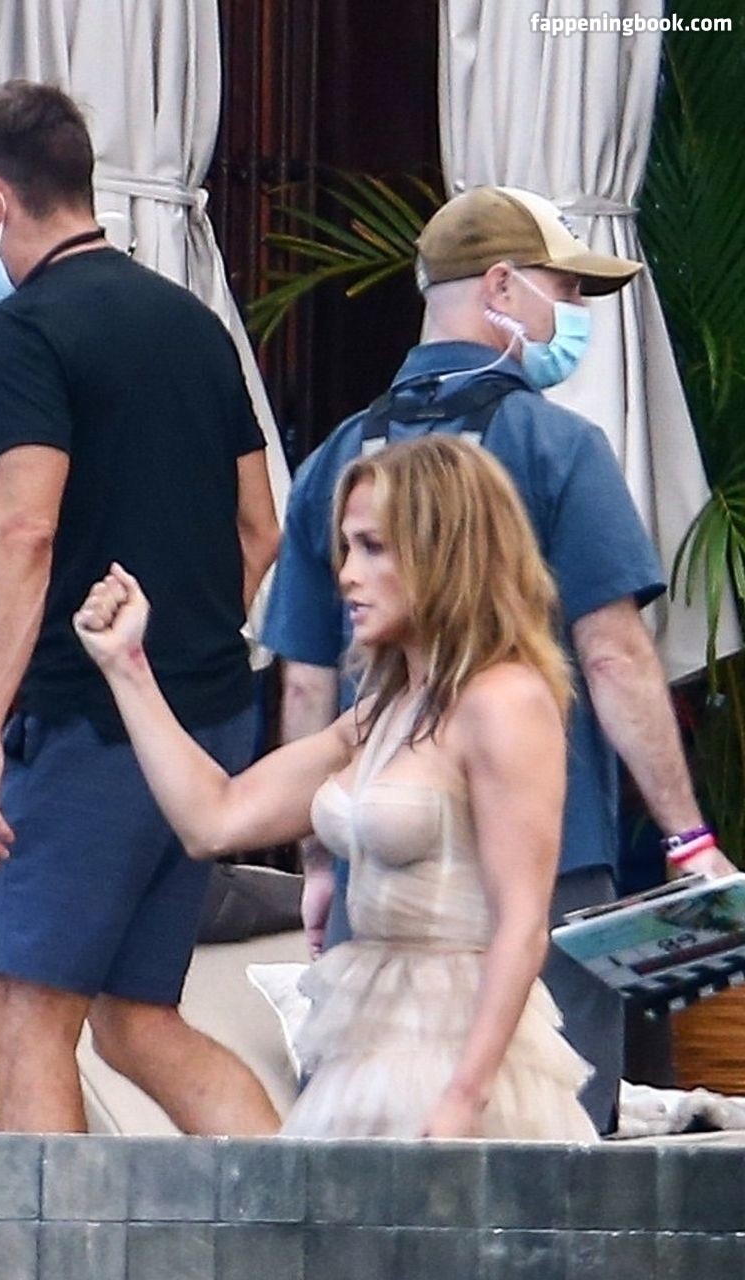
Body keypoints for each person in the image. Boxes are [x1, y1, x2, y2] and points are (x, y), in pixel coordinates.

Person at [260, 185, 734, 1133]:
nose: (576, 315)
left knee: (371, 1137)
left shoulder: (341, 461)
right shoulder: (558, 447)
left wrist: (319, 862)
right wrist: (688, 842)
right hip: (548, 866)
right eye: (567, 290)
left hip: (380, 870)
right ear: (503, 287)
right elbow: (614, 656)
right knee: (548, 1140)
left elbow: (307, 682)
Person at [0, 81, 281, 1135]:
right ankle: (297, 1212)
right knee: (136, 1018)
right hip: (208, 723)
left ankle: (49, 1236)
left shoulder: (23, 332)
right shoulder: (196, 325)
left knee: (25, 1017)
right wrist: (186, 660)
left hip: (86, 726)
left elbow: (22, 531)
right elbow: (260, 528)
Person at [80, 435, 597, 1139]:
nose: (348, 575)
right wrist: (127, 668)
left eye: (373, 547)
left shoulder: (504, 701)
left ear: (445, 549)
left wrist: (462, 1098)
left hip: (462, 1049)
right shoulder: (384, 711)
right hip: (368, 1039)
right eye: (346, 549)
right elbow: (215, 818)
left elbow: (522, 925)